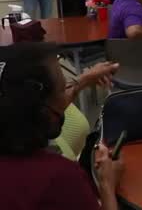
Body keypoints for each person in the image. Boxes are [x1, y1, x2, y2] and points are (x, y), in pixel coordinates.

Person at [0, 42, 122, 210]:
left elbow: (49, 102)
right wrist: (107, 185)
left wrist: (85, 79)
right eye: (62, 88)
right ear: (43, 111)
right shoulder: (60, 178)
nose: (67, 92)